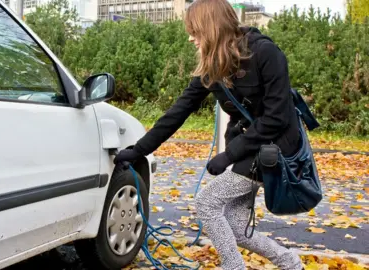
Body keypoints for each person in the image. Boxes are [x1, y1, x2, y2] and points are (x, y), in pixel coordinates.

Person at [113, 0, 304, 269]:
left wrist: (228, 156)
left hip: (274, 148)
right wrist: (138, 150)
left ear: (212, 28)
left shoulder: (266, 54)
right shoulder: (213, 66)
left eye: (195, 31)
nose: (191, 38)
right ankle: (291, 263)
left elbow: (276, 118)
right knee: (237, 228)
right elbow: (178, 112)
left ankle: (233, 266)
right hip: (247, 148)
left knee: (207, 203)